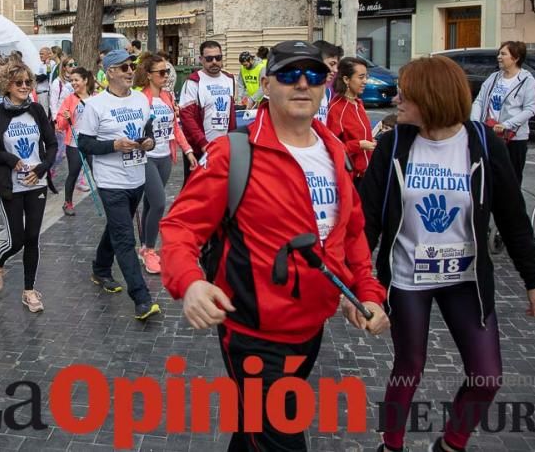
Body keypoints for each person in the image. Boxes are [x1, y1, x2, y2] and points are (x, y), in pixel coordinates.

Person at [160, 40, 389, 452]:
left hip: (311, 326)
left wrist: (365, 293)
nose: (302, 83)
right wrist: (190, 282)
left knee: (254, 431)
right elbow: (180, 227)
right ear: (266, 84)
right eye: (288, 74)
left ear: (325, 85)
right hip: (252, 332)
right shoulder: (234, 152)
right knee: (280, 433)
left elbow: (351, 234)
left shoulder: (333, 150)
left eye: (314, 75)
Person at [359, 55, 535, 452]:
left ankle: (451, 444)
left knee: (487, 375)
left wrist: (534, 281)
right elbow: (367, 220)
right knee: (409, 367)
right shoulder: (393, 146)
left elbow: (513, 217)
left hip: (466, 280)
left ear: (432, 99)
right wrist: (363, 284)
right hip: (409, 277)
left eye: (405, 95)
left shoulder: (482, 143)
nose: (397, 100)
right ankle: (390, 444)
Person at [77, 49, 160, 321]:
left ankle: (100, 269)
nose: (129, 71)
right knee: (125, 238)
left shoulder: (140, 100)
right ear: (110, 71)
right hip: (110, 181)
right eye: (123, 67)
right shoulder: (96, 105)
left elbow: (149, 132)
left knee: (116, 227)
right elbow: (84, 143)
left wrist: (148, 142)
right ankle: (142, 298)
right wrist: (114, 145)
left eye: (131, 66)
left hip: (136, 177)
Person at [0, 60, 57, 313]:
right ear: (6, 85)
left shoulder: (36, 110)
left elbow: (52, 144)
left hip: (37, 184)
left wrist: (41, 169)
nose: (25, 86)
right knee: (16, 240)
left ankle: (29, 291)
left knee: (33, 238)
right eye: (19, 83)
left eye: (28, 82)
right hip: (10, 186)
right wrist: (10, 159)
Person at [134, 54, 196, 274]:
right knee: (159, 203)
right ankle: (150, 250)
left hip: (165, 156)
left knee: (151, 204)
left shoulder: (168, 96)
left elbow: (175, 127)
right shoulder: (141, 98)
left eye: (167, 71)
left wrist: (187, 150)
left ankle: (144, 246)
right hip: (147, 158)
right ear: (148, 75)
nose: (166, 76)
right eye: (161, 72)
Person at [470, 40, 535, 186]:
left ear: (516, 58)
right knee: (491, 177)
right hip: (491, 134)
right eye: (499, 53)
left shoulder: (527, 80)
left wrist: (506, 125)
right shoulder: (493, 78)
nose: (499, 57)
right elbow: (479, 101)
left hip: (514, 138)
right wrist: (476, 123)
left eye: (503, 54)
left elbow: (529, 109)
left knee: (512, 179)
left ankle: (512, 208)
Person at [179, 40, 246, 178]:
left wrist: (233, 141)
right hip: (200, 149)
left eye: (218, 58)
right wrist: (203, 144)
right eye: (209, 59)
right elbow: (187, 117)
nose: (214, 62)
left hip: (224, 147)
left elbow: (231, 112)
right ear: (201, 60)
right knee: (196, 190)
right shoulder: (193, 82)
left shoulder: (229, 79)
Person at [326, 57, 376, 182]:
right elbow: (332, 147)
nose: (365, 81)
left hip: (368, 175)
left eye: (366, 77)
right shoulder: (336, 108)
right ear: (346, 79)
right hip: (352, 179)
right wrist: (358, 145)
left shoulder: (358, 103)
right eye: (361, 77)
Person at [55, 66, 96, 215]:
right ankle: (68, 203)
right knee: (73, 172)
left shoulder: (95, 97)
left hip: (92, 142)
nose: (73, 83)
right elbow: (60, 124)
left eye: (76, 80)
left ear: (85, 80)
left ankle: (108, 200)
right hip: (74, 142)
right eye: (71, 80)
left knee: (97, 172)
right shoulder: (69, 100)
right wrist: (65, 118)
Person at [311, 40, 342, 123]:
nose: (335, 70)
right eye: (332, 64)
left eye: (337, 66)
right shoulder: (297, 92)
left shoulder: (327, 93)